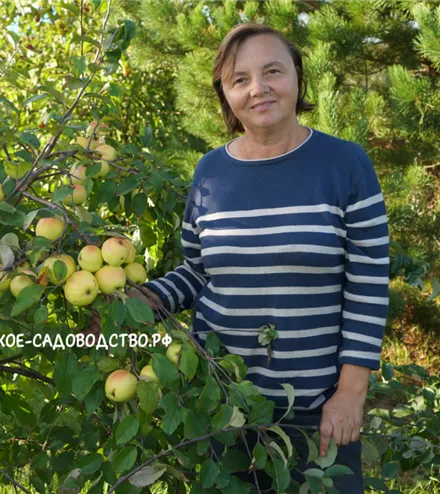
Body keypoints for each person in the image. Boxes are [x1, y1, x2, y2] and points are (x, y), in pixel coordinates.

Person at [85, 23, 389, 493]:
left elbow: (368, 283)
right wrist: (136, 302)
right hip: (220, 401)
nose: (258, 88)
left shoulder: (345, 164)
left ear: (297, 78)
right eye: (239, 79)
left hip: (315, 410)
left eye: (272, 71)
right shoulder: (211, 172)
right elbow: (198, 270)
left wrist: (350, 393)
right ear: (225, 95)